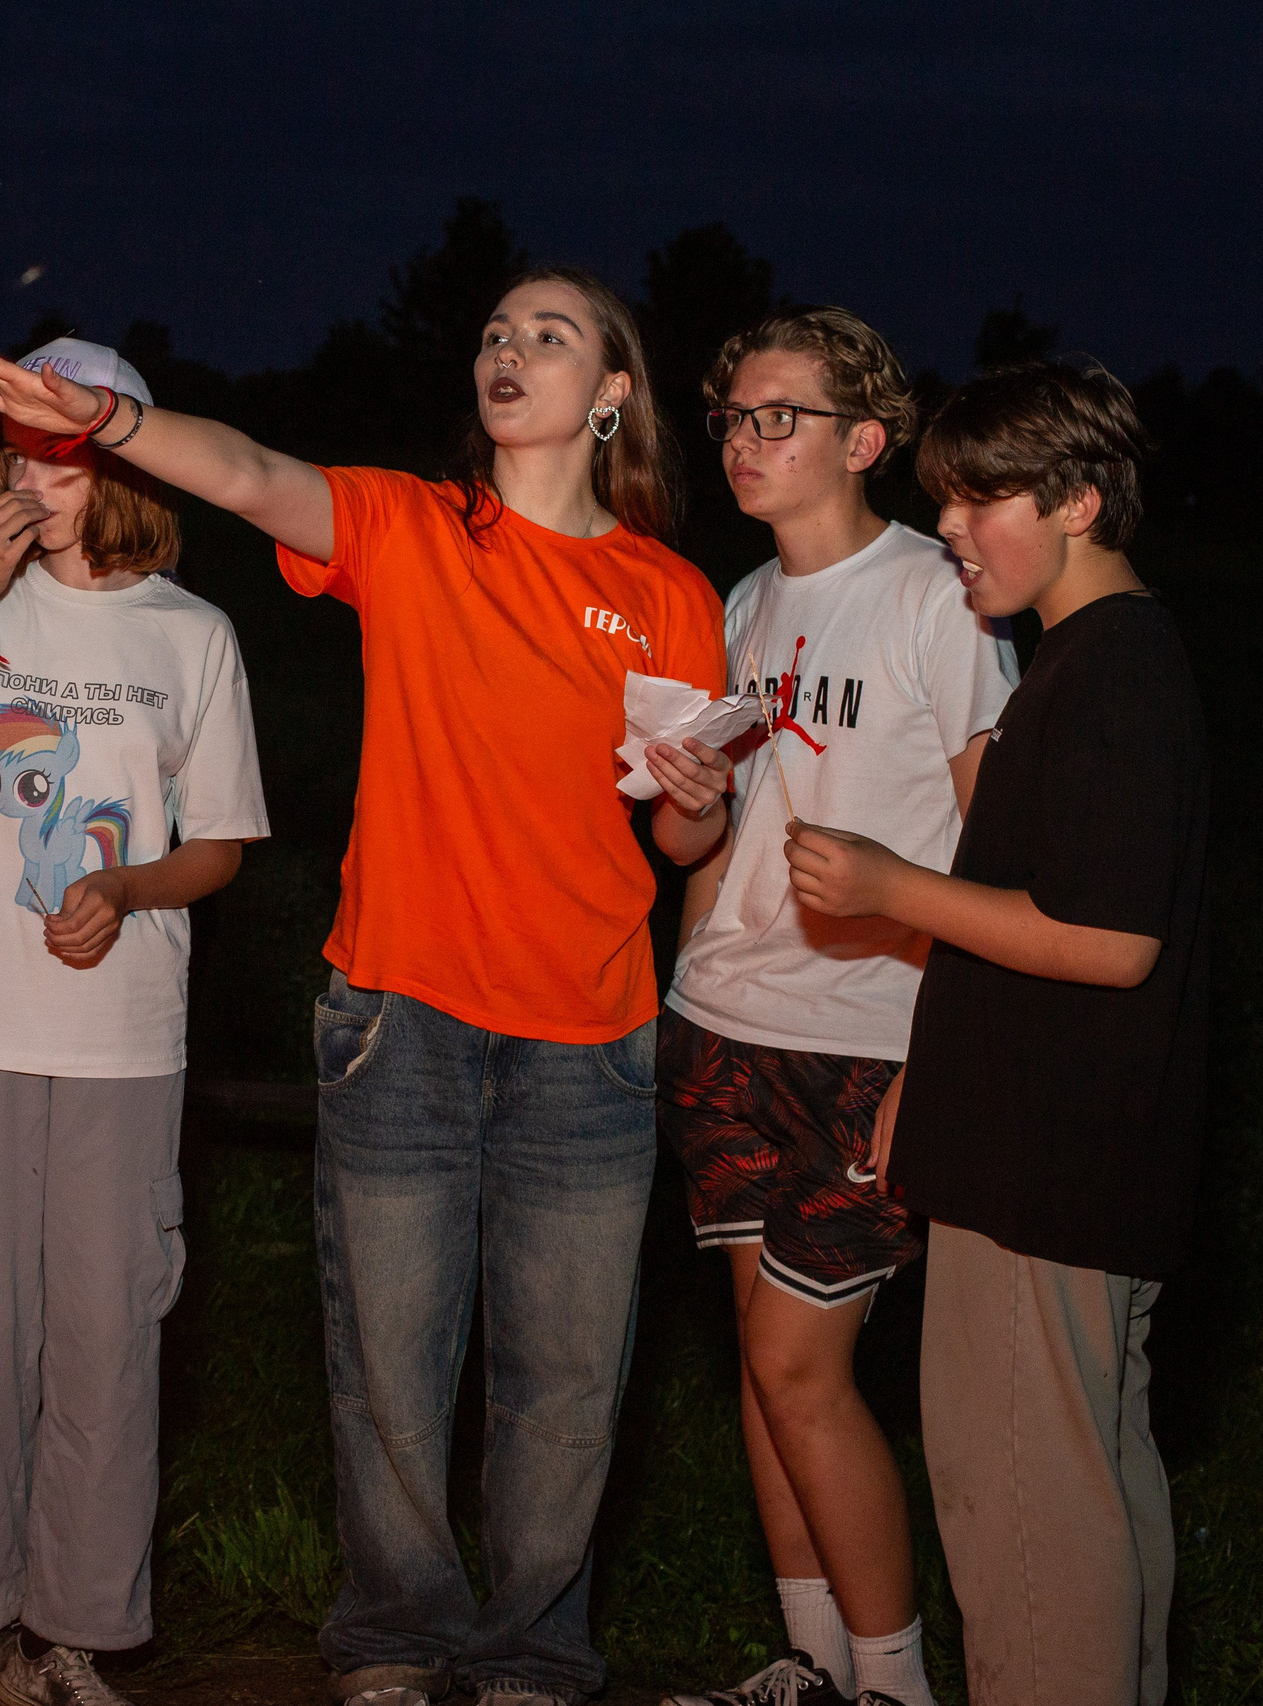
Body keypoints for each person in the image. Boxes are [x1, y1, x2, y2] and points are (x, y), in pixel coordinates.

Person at [0, 270, 727, 1706]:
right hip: (400, 1018)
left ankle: (532, 1651)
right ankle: (397, 1637)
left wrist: (697, 795)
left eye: (548, 336)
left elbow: (680, 839)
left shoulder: (665, 593)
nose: (508, 350)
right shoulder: (412, 527)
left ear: (613, 393)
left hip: (589, 1033)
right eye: (492, 332)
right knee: (389, 1372)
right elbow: (247, 472)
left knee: (564, 1384)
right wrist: (104, 420)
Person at [782, 362, 1206, 1706]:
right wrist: (932, 1070)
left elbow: (1110, 940)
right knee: (1091, 1491)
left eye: (982, 500)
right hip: (1049, 1151)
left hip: (1045, 1171)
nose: (951, 528)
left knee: (1025, 1515)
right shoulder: (1084, 657)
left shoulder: (1115, 671)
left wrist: (887, 884)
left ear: (1078, 500)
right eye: (944, 500)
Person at [0, 338, 268, 1706]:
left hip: (120, 1041)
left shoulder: (191, 634)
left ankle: (76, 1636)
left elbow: (220, 844)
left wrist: (124, 884)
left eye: (60, 453)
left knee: (106, 1338)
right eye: (15, 452)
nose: (31, 478)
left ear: (120, 464)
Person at [654, 309, 1015, 1706]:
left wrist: (947, 1055)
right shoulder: (739, 605)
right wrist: (690, 806)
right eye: (731, 419)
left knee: (801, 1368)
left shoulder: (938, 597)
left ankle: (892, 1683)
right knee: (765, 1370)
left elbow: (999, 848)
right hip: (723, 1020)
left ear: (864, 440)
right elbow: (695, 845)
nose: (743, 441)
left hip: (870, 1036)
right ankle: (809, 1670)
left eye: (777, 417)